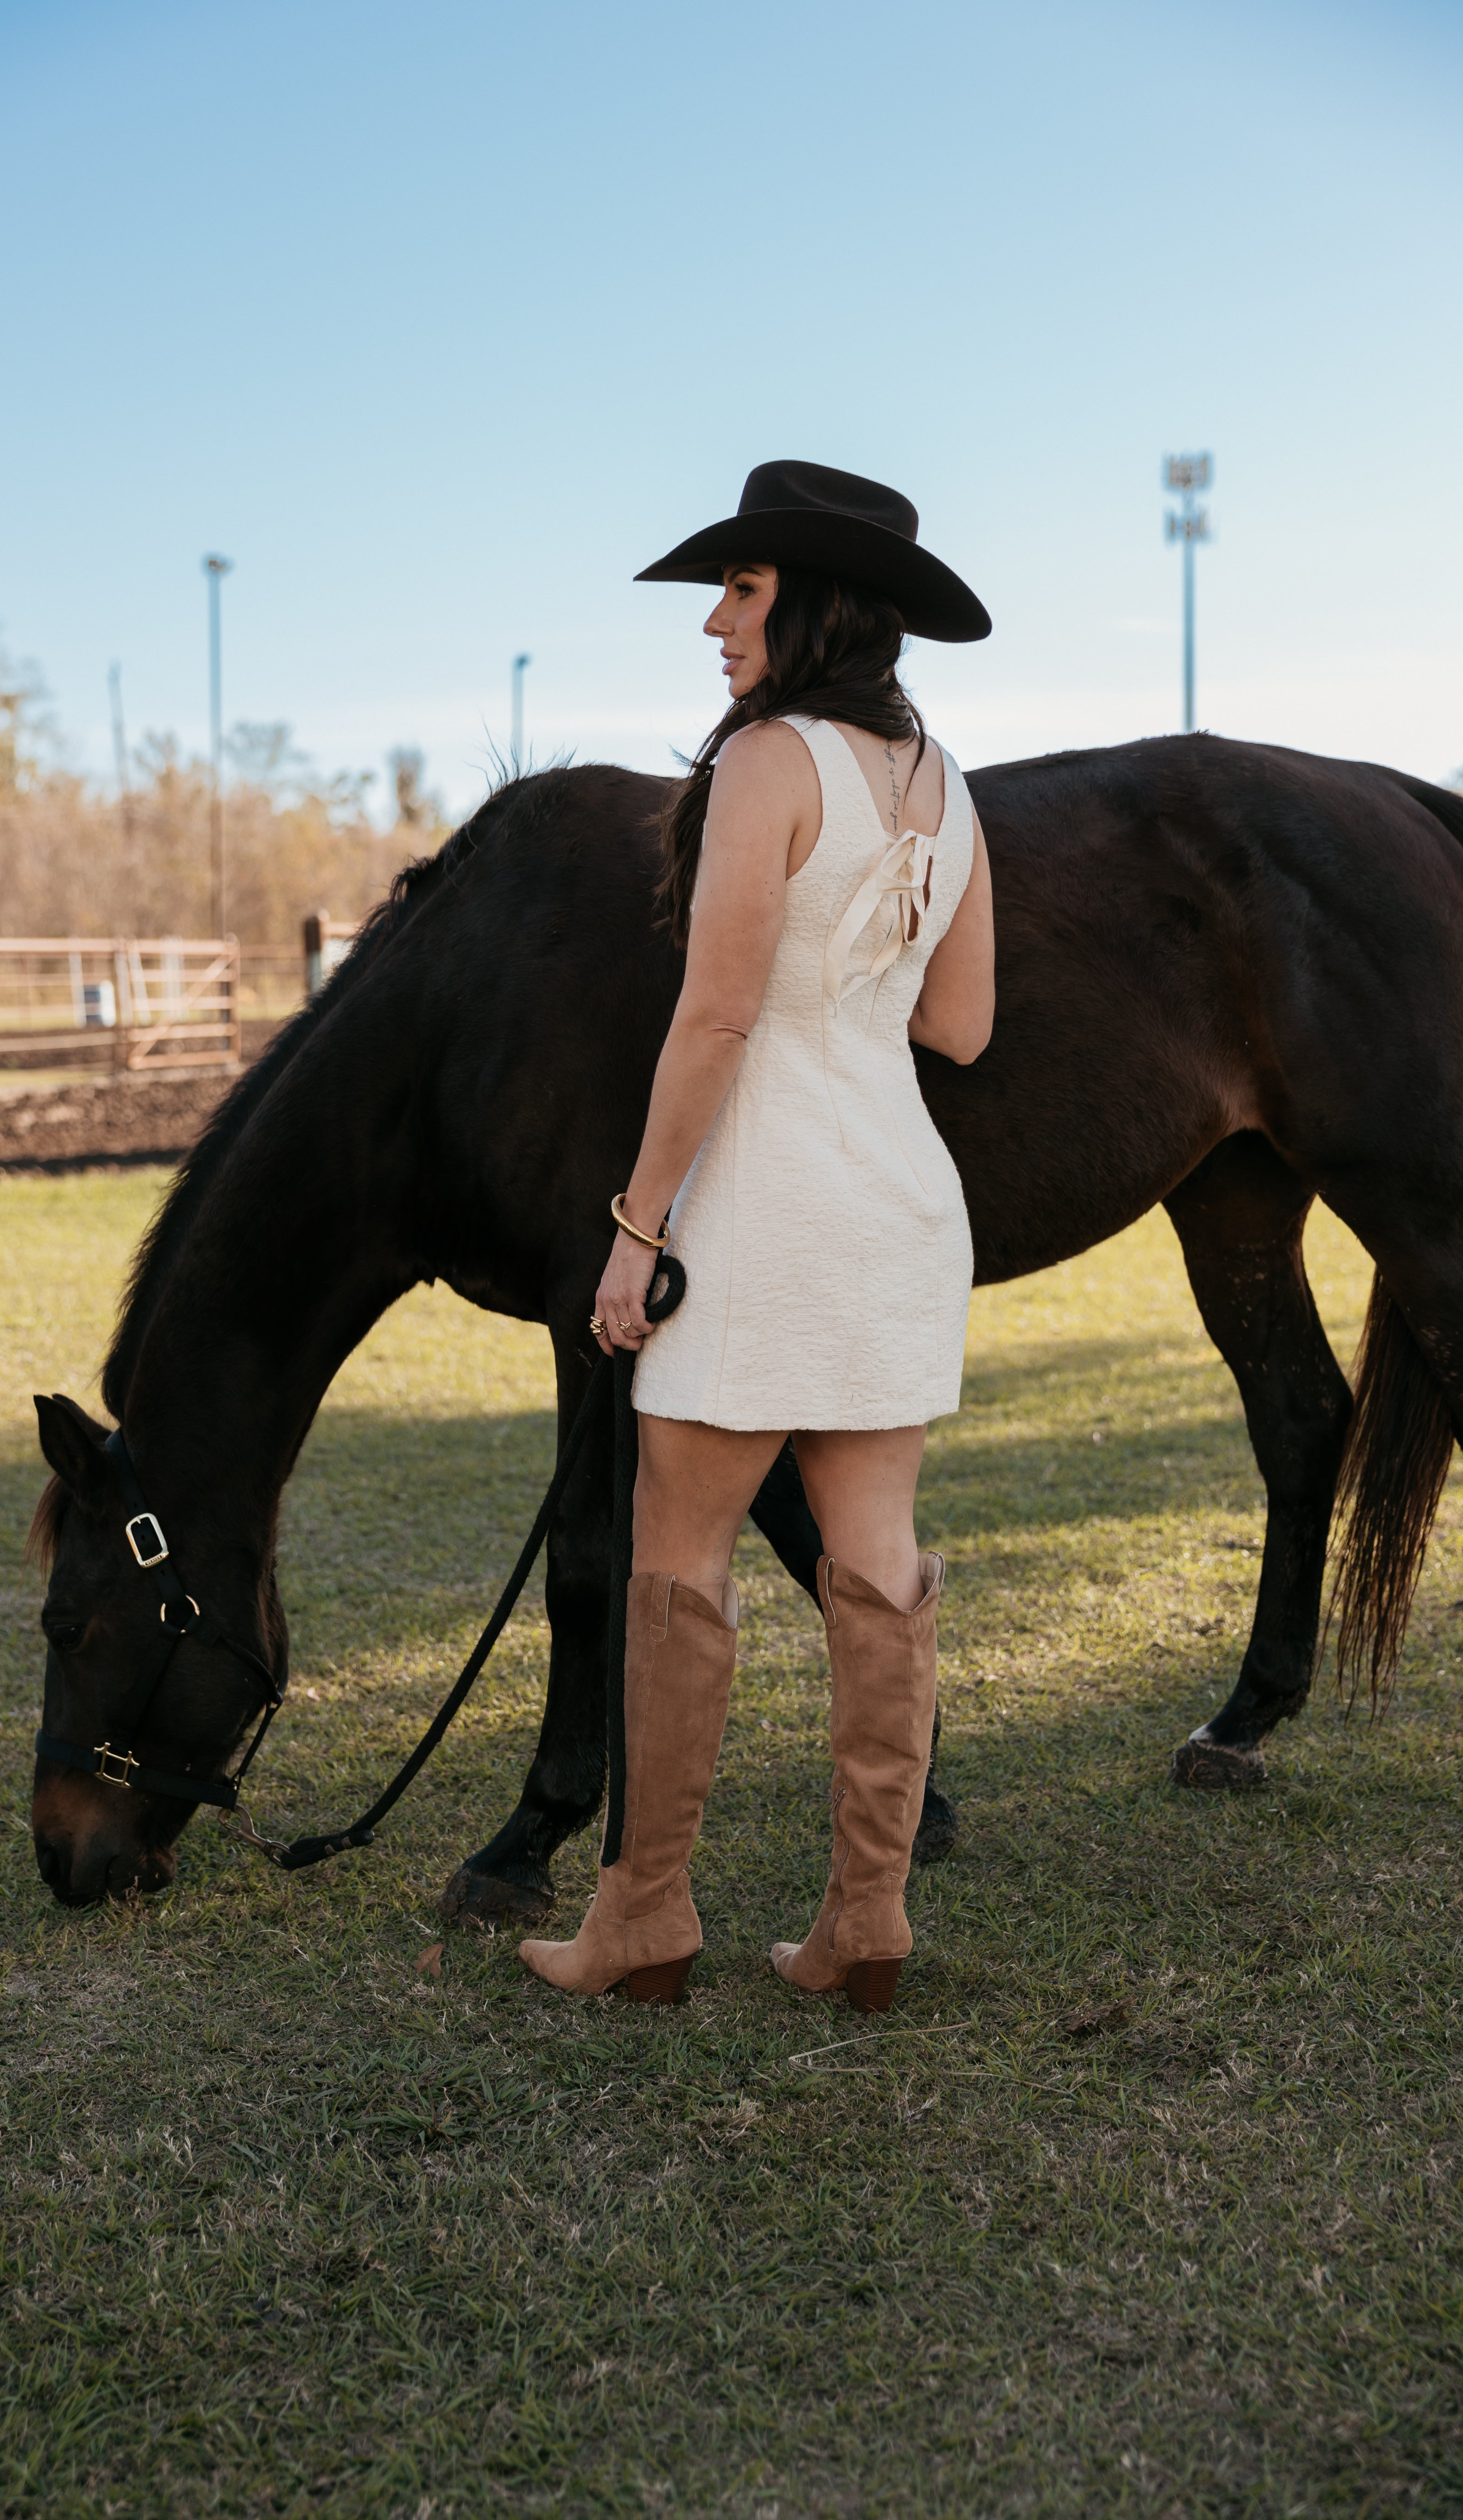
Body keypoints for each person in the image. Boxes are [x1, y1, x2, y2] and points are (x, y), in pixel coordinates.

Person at [520, 460, 995, 2013]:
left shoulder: (767, 762)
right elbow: (966, 1026)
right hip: (902, 1206)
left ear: (810, 596)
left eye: (740, 589)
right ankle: (866, 1923)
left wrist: (632, 1228)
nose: (715, 623)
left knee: (683, 1560)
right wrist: (855, 981)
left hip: (765, 1208)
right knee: (877, 1563)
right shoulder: (945, 781)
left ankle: (645, 1918)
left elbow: (717, 1013)